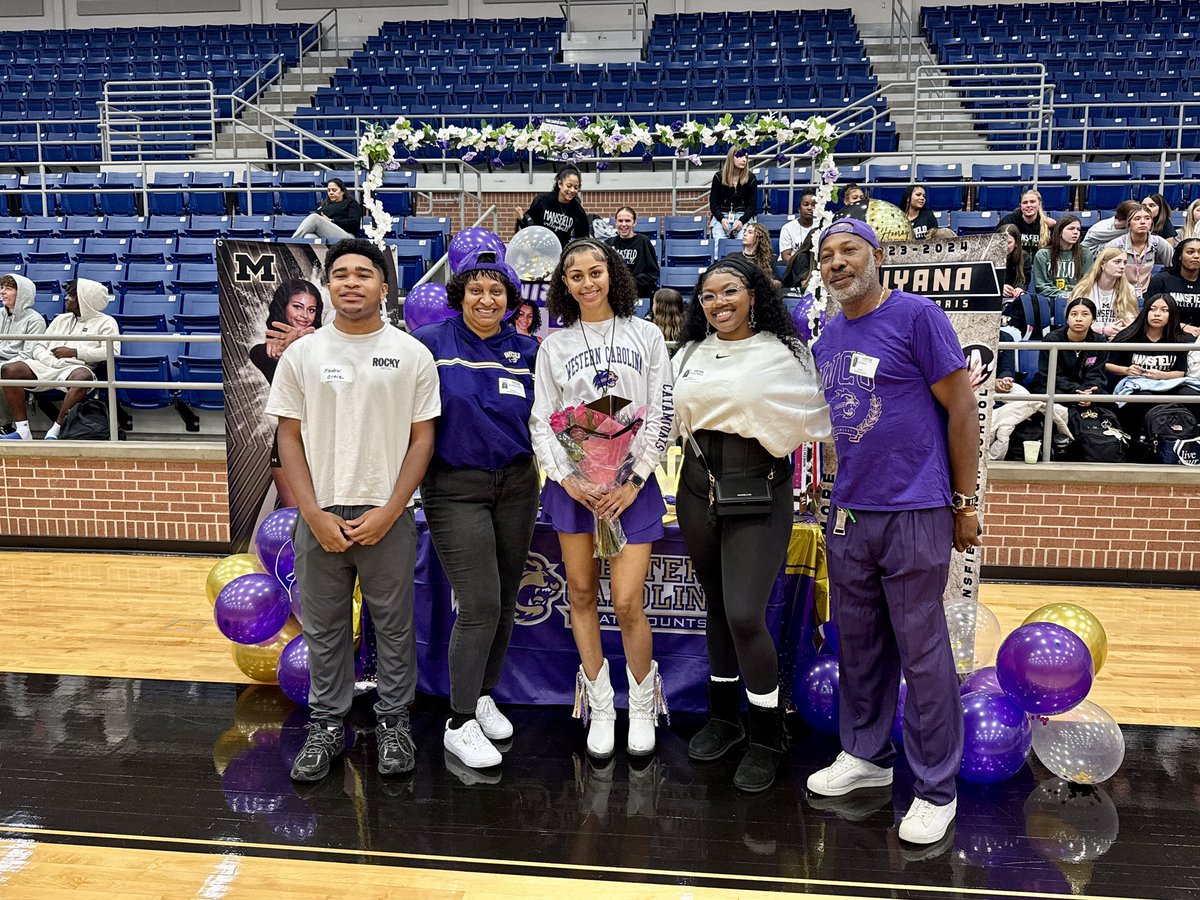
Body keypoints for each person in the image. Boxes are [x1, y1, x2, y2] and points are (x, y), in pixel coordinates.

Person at [806, 219, 981, 846]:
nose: (836, 263)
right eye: (826, 255)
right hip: (852, 512)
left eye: (848, 250)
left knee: (921, 647)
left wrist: (965, 500)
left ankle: (936, 787)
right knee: (859, 644)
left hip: (915, 508)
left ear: (877, 256)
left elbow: (961, 408)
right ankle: (867, 757)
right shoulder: (826, 337)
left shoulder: (918, 317)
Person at [266, 238, 440, 782]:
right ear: (328, 285)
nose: (350, 282)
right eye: (339, 274)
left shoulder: (412, 353)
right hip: (319, 515)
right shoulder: (303, 354)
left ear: (384, 287)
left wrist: (392, 508)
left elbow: (422, 440)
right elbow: (288, 439)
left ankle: (393, 723)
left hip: (385, 513)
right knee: (325, 628)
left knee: (392, 626)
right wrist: (312, 513)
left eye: (363, 273)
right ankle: (325, 725)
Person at [672, 255, 831, 792]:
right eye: (709, 295)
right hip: (697, 488)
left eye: (730, 291)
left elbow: (818, 420)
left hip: (759, 488)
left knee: (744, 612)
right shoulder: (689, 352)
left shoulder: (784, 353)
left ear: (754, 294)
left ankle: (766, 734)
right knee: (716, 605)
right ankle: (725, 719)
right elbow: (668, 420)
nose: (719, 303)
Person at [529, 238, 674, 759]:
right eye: (576, 276)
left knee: (628, 601)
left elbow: (661, 412)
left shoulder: (648, 335)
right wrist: (570, 479)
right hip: (576, 489)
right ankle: (600, 706)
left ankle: (641, 704)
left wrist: (632, 479)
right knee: (582, 596)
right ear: (563, 285)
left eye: (596, 272)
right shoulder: (553, 347)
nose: (587, 282)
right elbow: (545, 420)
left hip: (631, 487)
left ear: (611, 274)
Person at [411, 249, 540, 771]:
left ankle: (483, 692)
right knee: (480, 602)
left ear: (510, 300)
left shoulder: (530, 350)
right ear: (459, 295)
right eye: (476, 290)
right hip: (454, 487)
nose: (486, 300)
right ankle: (459, 721)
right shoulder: (429, 345)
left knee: (506, 598)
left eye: (497, 291)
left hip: (517, 485)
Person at [1, 278, 119, 441]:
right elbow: (38, 346)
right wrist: (49, 360)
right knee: (9, 369)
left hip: (74, 368)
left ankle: (56, 430)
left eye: (71, 295)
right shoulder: (60, 319)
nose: (66, 298)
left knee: (82, 377)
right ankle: (23, 431)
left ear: (84, 299)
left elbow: (111, 351)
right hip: (46, 365)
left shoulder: (107, 322)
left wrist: (76, 352)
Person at [249, 280, 325, 508]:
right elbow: (260, 355)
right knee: (296, 520)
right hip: (289, 443)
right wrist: (288, 348)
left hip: (328, 444)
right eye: (297, 307)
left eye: (311, 310)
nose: (304, 316)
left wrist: (309, 342)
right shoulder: (266, 352)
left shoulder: (327, 345)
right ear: (283, 307)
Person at [1106, 293, 1193, 435]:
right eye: (1152, 309)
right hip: (1135, 384)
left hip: (1166, 384)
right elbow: (1107, 364)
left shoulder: (1179, 339)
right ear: (1145, 312)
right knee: (1144, 397)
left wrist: (1162, 375)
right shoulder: (1128, 336)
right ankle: (1140, 440)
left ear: (1172, 315)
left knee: (1191, 395)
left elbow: (1181, 372)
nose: (1157, 314)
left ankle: (1187, 437)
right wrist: (1126, 370)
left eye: (1164, 310)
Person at [1031, 297, 1110, 404]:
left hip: (1087, 391)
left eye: (1085, 314)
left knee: (1109, 403)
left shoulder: (1099, 341)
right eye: (1073, 314)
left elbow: (1097, 374)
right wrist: (1076, 391)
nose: (1078, 319)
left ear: (1093, 319)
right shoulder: (1052, 339)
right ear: (1067, 319)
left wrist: (1088, 392)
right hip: (1056, 387)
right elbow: (1050, 374)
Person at [0, 274, 46, 432]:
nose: (3, 292)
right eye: (2, 288)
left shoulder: (35, 320)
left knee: (4, 373)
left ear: (22, 294)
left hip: (19, 366)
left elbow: (28, 354)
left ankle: (4, 426)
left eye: (9, 288)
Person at [1106, 206, 1173, 299]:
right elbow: (1104, 273)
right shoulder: (1115, 245)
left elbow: (1173, 267)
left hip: (1149, 293)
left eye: (1147, 218)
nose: (1143, 222)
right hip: (1119, 293)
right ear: (1129, 223)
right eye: (1137, 219)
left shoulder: (1158, 243)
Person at [1070, 247, 1138, 338]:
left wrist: (1122, 333)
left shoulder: (1129, 289)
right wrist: (1103, 330)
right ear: (1103, 264)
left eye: (1124, 263)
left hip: (1117, 340)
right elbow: (1075, 323)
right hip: (1088, 339)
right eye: (1117, 262)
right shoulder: (1082, 289)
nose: (1122, 266)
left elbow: (1132, 323)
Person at [522, 166, 589, 248]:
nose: (572, 190)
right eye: (568, 186)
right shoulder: (543, 200)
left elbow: (583, 239)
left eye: (576, 187)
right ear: (560, 184)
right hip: (538, 249)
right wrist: (522, 219)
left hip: (560, 252)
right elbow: (530, 226)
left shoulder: (578, 210)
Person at [1033, 215, 1094, 300]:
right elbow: (1041, 286)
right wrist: (1063, 295)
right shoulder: (1043, 254)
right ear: (1060, 232)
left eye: (1078, 229)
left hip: (1078, 300)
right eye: (1071, 229)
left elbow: (1087, 282)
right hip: (1051, 301)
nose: (1076, 232)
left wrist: (1074, 294)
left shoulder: (1085, 253)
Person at [1147, 237, 1200, 335]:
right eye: (1190, 252)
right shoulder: (1161, 280)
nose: (1196, 256)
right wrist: (1182, 327)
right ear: (1180, 255)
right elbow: (1149, 315)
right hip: (1167, 335)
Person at [606, 206, 660, 297]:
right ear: (615, 223)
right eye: (620, 221)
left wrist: (631, 282)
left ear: (634, 223)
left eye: (627, 221)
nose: (623, 224)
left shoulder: (643, 241)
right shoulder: (609, 243)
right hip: (616, 294)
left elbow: (653, 273)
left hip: (639, 293)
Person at [709, 148, 760, 242]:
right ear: (731, 158)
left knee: (744, 240)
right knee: (719, 242)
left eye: (746, 157)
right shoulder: (718, 177)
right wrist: (722, 219)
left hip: (743, 215)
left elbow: (752, 206)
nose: (744, 160)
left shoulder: (751, 178)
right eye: (740, 156)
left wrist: (741, 221)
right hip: (722, 216)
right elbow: (713, 205)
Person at [291, 178, 363, 242]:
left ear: (342, 191)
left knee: (314, 217)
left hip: (346, 236)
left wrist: (332, 221)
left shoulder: (350, 203)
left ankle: (291, 243)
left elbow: (354, 223)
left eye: (334, 190)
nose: (331, 193)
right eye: (329, 190)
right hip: (326, 234)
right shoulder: (324, 205)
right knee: (309, 236)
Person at [997, 189, 1054, 267]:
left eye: (1032, 202)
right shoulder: (1009, 221)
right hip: (1015, 267)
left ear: (1039, 204)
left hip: (1040, 267)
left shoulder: (1048, 223)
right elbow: (996, 244)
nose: (1028, 205)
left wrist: (1055, 227)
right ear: (1021, 205)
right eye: (1025, 202)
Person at [732, 222, 781, 288]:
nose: (745, 234)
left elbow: (778, 283)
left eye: (750, 232)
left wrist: (765, 281)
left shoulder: (768, 259)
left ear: (759, 237)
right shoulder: (734, 257)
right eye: (745, 231)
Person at [779, 191, 818, 265]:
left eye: (813, 205)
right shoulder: (787, 228)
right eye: (806, 204)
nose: (810, 208)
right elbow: (785, 256)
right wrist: (802, 266)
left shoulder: (821, 226)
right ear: (799, 208)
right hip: (794, 266)